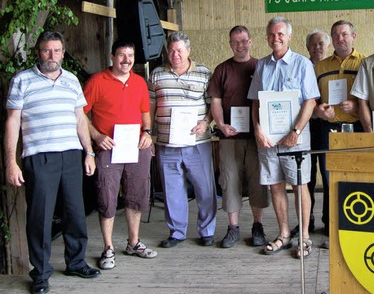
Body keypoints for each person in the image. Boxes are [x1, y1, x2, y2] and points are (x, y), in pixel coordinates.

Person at [4, 31, 101, 294]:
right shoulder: (22, 80)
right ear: (38, 52)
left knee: (75, 212)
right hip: (39, 156)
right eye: (47, 51)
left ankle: (76, 262)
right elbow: (12, 122)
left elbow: (81, 119)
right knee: (40, 216)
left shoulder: (71, 80)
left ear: (62, 51)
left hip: (71, 154)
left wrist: (89, 152)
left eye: (57, 51)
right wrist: (11, 163)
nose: (52, 56)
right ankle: (41, 274)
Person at [247, 17, 320, 258]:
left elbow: (310, 101)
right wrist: (257, 129)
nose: (275, 38)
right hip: (268, 140)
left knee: (299, 186)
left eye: (280, 34)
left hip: (294, 139)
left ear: (289, 36)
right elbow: (256, 101)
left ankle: (305, 238)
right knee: (276, 186)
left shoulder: (302, 64)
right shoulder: (262, 66)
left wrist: (296, 131)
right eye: (271, 34)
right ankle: (284, 234)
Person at [83, 40, 157, 270]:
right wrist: (96, 136)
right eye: (121, 55)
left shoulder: (139, 82)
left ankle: (133, 243)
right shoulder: (96, 81)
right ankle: (108, 248)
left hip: (136, 147)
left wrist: (147, 132)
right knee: (107, 197)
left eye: (130, 55)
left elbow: (145, 112)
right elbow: (80, 114)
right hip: (108, 147)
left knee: (136, 196)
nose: (126, 60)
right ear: (112, 56)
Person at [148, 32, 217, 248]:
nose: (175, 54)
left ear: (188, 51)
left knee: (205, 188)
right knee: (172, 189)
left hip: (197, 142)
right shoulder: (157, 74)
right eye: (171, 50)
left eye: (179, 50)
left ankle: (207, 230)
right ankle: (177, 232)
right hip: (167, 143)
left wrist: (206, 123)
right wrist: (149, 133)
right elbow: (149, 107)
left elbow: (213, 105)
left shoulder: (204, 73)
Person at [207, 26, 270, 248]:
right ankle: (233, 228)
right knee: (229, 182)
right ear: (230, 44)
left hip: (257, 138)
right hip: (229, 138)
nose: (240, 45)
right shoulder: (222, 69)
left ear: (251, 42)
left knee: (257, 181)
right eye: (235, 42)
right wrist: (221, 125)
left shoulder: (261, 66)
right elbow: (215, 101)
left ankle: (257, 226)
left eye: (243, 41)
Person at [313, 20, 366, 247]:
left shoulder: (366, 63)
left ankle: (356, 226)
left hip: (357, 128)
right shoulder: (320, 66)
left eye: (344, 34)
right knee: (329, 178)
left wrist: (357, 108)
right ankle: (330, 226)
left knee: (357, 177)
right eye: (335, 35)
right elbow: (311, 100)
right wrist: (319, 111)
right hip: (329, 129)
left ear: (353, 36)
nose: (340, 38)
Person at [302, 29, 330, 237]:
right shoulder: (301, 67)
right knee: (306, 177)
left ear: (327, 46)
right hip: (305, 127)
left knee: (328, 176)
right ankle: (307, 220)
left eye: (321, 43)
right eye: (313, 44)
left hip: (326, 128)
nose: (317, 47)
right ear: (307, 47)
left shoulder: (331, 68)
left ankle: (328, 221)